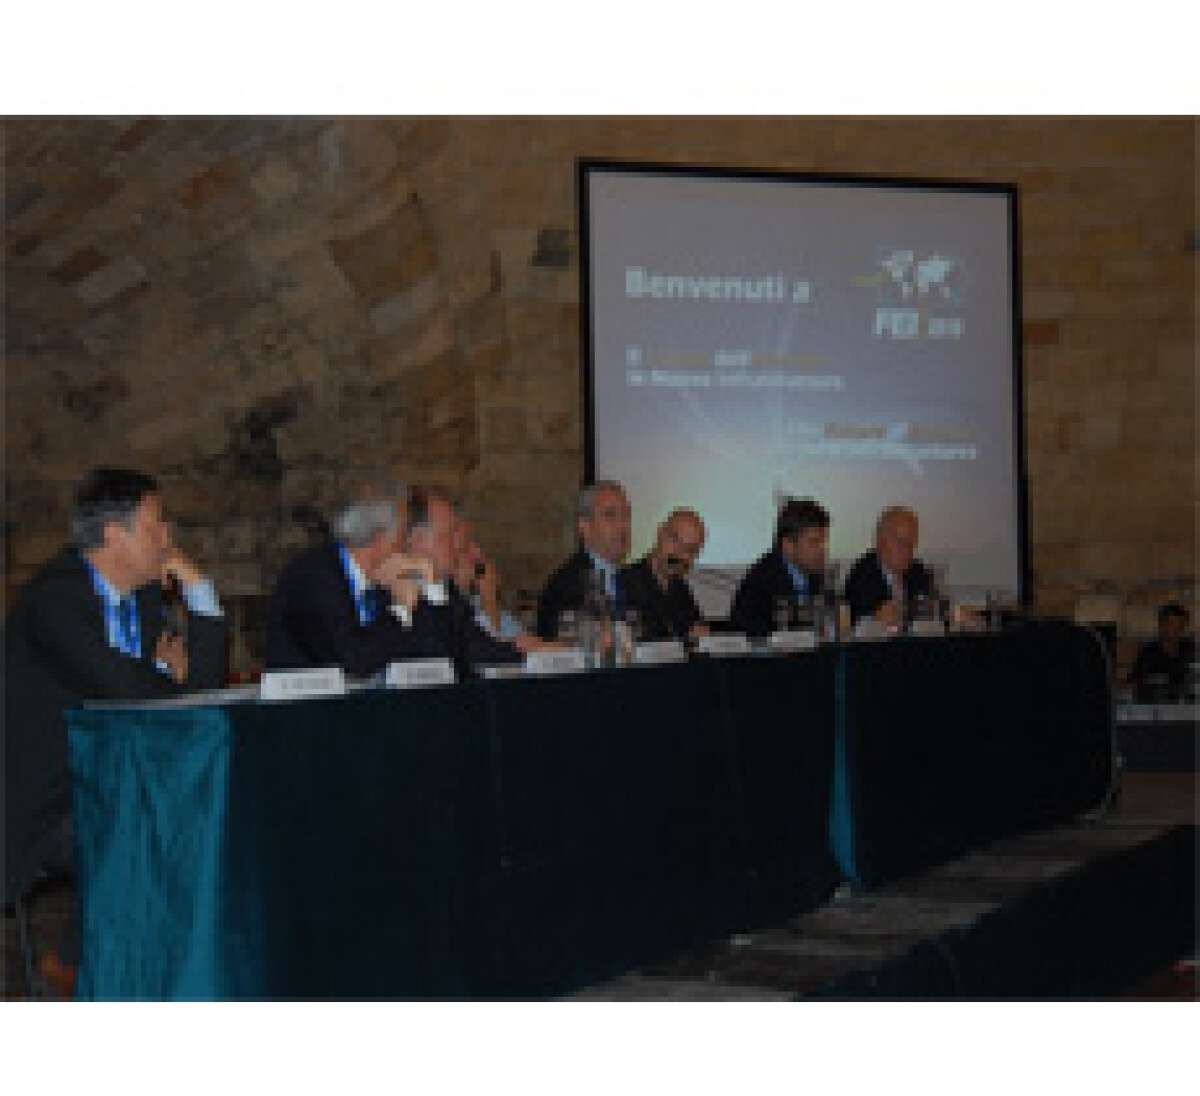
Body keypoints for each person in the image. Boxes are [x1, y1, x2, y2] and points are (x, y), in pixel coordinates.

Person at [3, 467, 229, 984]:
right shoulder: (55, 603)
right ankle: (86, 967)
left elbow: (201, 699)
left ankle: (160, 969)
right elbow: (129, 691)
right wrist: (163, 681)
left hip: (112, 782)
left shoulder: (143, 601)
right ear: (113, 536)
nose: (167, 539)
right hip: (44, 802)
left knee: (191, 815)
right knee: (146, 827)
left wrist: (199, 592)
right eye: (156, 527)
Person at [264, 476, 441, 675]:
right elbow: (355, 663)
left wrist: (432, 588)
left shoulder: (386, 583)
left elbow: (441, 661)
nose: (408, 545)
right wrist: (401, 610)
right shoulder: (312, 578)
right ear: (380, 539)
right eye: (403, 535)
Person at [404, 487, 524, 673]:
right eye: (447, 537)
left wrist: (535, 653)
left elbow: (482, 646)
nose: (456, 547)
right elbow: (458, 655)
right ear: (418, 542)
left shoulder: (449, 593)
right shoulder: (397, 593)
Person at [536, 480, 631, 640]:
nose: (622, 526)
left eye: (626, 516)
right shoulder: (566, 586)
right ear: (584, 526)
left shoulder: (632, 580)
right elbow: (565, 645)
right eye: (610, 515)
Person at [451, 514, 557, 655]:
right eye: (466, 546)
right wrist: (489, 597)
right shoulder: (450, 610)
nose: (478, 553)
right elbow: (487, 657)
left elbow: (527, 643)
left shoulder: (481, 603)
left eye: (476, 543)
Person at [729, 498, 831, 638]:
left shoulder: (815, 576)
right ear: (788, 546)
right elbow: (750, 635)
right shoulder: (762, 582)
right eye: (814, 543)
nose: (822, 551)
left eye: (823, 543)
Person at [619, 507, 710, 643]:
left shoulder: (681, 590)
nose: (679, 553)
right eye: (675, 540)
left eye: (690, 549)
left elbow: (697, 630)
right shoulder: (624, 582)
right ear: (660, 532)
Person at [843, 505, 933, 627]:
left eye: (911, 543)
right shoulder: (861, 575)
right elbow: (851, 623)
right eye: (900, 541)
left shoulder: (918, 572)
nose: (907, 549)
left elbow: (935, 612)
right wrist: (874, 620)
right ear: (880, 541)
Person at [1129, 602, 1195, 702]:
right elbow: (1134, 683)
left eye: (1180, 625)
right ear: (1161, 626)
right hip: (1154, 705)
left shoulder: (1191, 650)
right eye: (1171, 624)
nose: (1176, 630)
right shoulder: (1148, 652)